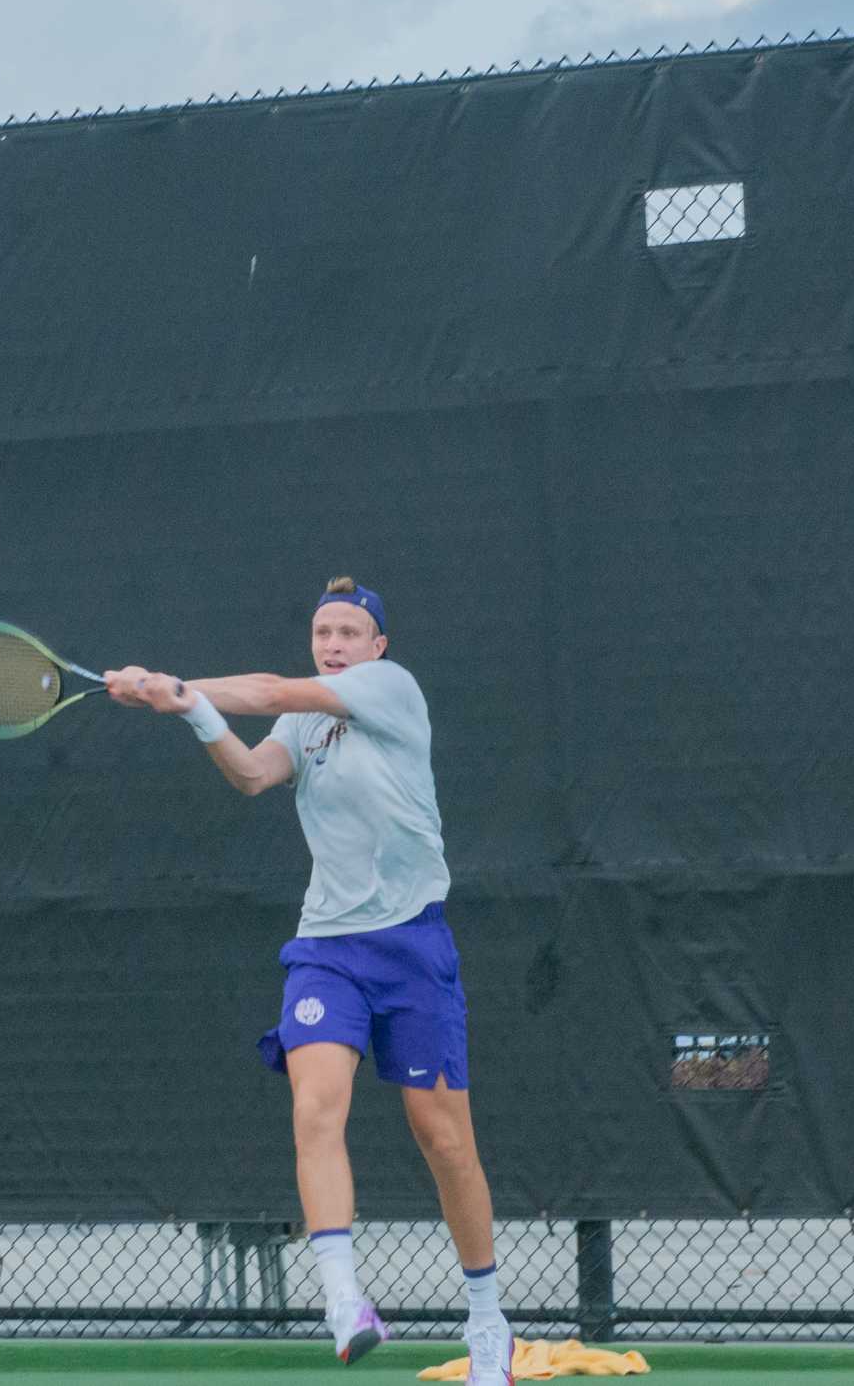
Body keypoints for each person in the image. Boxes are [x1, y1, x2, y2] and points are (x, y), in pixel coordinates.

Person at [104, 578, 513, 1379]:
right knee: (315, 1106)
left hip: (411, 945)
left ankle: (487, 1316)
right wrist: (190, 712)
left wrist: (172, 687)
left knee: (444, 1139)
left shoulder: (392, 691)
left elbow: (264, 688)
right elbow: (254, 773)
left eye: (349, 631)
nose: (332, 641)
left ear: (377, 646)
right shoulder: (303, 722)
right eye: (323, 629)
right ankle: (343, 1298)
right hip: (327, 946)